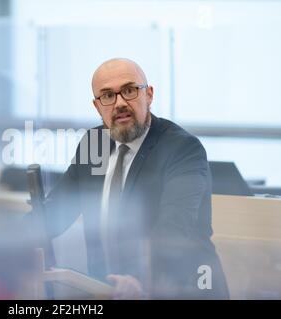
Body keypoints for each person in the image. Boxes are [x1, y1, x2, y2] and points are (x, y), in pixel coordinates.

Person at [40, 58, 229, 299]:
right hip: (110, 290)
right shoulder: (94, 144)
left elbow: (173, 229)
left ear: (149, 95)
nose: (119, 103)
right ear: (97, 107)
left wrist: (138, 277)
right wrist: (7, 242)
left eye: (129, 91)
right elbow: (56, 211)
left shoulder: (182, 148)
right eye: (107, 96)